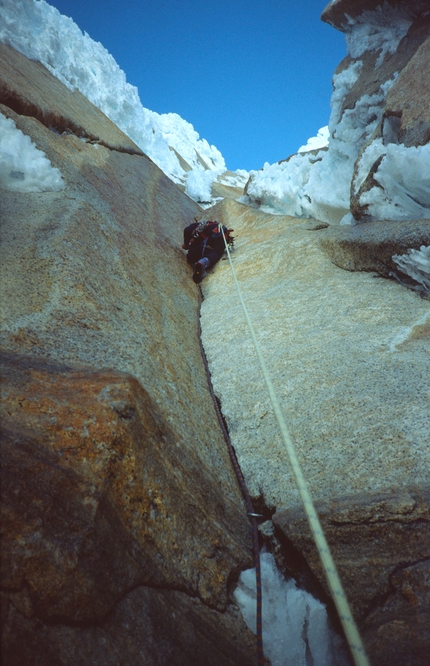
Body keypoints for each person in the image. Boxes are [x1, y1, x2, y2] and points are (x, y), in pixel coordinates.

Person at [182, 219, 233, 284]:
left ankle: (203, 261)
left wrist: (187, 244)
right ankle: (204, 261)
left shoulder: (196, 232)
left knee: (191, 257)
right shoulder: (202, 225)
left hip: (214, 236)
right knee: (216, 252)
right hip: (223, 234)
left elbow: (187, 232)